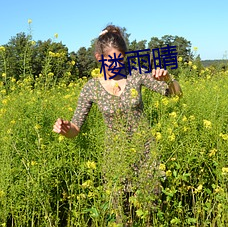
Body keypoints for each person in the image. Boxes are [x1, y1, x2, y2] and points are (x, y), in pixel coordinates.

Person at [53, 25, 182, 224]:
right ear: (99, 58)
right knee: (121, 215)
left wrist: (169, 79)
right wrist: (65, 129)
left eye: (120, 59)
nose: (116, 65)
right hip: (115, 158)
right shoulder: (91, 88)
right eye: (110, 60)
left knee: (150, 213)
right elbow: (75, 128)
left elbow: (175, 95)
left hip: (146, 153)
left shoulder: (135, 74)